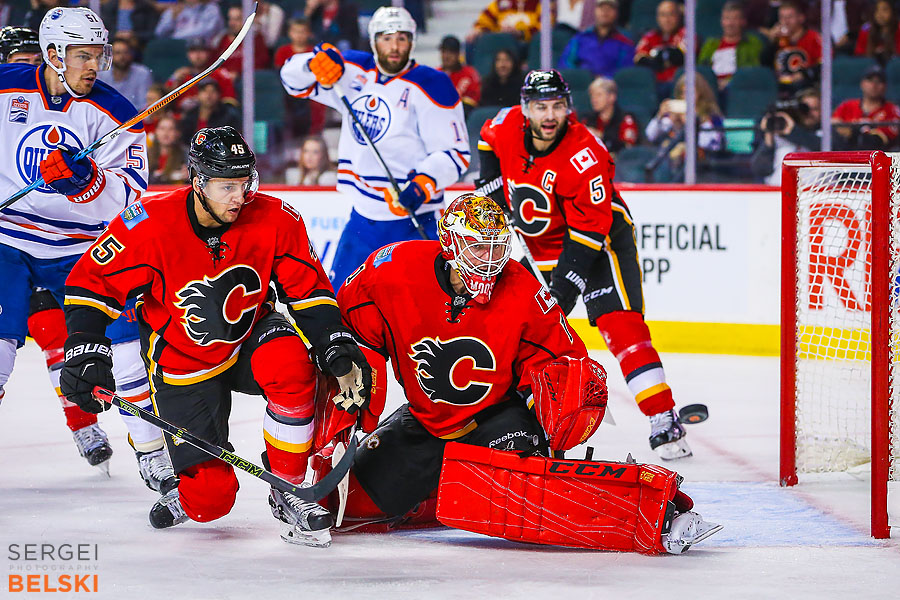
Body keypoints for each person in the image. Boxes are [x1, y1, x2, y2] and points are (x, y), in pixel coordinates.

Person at [310, 194, 720, 553]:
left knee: (524, 494)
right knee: (344, 509)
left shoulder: (523, 288)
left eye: (496, 249)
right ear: (450, 246)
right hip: (426, 424)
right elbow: (349, 338)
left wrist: (566, 398)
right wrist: (338, 428)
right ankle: (438, 493)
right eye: (477, 249)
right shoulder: (392, 270)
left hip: (499, 419)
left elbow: (566, 358)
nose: (489, 263)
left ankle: (658, 513)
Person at [60, 126, 372, 547]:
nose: (239, 197)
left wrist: (333, 340)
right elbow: (90, 285)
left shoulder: (277, 217)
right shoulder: (149, 223)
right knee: (211, 500)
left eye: (245, 183)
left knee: (291, 364)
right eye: (227, 186)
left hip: (250, 335)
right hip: (182, 359)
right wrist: (85, 350)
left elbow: (309, 290)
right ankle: (184, 486)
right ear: (197, 182)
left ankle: (288, 487)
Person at [0, 7, 175, 491]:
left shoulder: (117, 113)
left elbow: (132, 199)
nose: (93, 65)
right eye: (82, 56)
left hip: (80, 247)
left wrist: (87, 180)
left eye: (98, 55)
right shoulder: (5, 85)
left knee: (126, 350)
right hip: (7, 239)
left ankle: (151, 450)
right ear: (53, 55)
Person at [475, 70, 693, 460]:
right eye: (541, 106)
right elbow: (487, 139)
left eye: (557, 106)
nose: (549, 115)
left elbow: (588, 233)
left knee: (620, 326)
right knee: (519, 331)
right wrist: (490, 182)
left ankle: (663, 418)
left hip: (601, 242)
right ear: (526, 108)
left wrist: (563, 289)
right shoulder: (506, 124)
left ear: (568, 107)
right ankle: (523, 424)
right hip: (538, 244)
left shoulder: (585, 154)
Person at [280, 6, 469, 287]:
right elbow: (291, 81)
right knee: (338, 299)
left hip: (414, 217)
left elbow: (456, 153)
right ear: (373, 40)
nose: (394, 47)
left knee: (425, 303)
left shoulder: (433, 84)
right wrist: (312, 64)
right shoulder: (351, 69)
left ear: (412, 41)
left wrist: (422, 184)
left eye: (402, 38)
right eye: (386, 38)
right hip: (363, 219)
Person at [644, 74, 725, 177]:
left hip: (702, 167)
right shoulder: (675, 113)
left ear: (700, 93)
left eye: (690, 92)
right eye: (682, 93)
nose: (685, 97)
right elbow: (650, 134)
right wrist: (660, 115)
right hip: (669, 166)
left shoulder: (711, 114)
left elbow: (713, 145)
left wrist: (689, 123)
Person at [750, 87, 821, 185]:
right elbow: (760, 170)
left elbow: (821, 146)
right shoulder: (779, 134)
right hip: (778, 193)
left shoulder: (826, 133)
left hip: (818, 194)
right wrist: (768, 138)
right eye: (804, 109)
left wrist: (792, 131)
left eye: (815, 109)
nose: (809, 113)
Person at [557, 0, 635, 78]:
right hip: (582, 84)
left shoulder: (624, 42)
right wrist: (582, 78)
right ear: (595, 11)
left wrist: (604, 80)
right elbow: (566, 64)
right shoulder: (580, 38)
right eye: (602, 8)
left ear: (617, 13)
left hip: (611, 86)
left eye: (610, 8)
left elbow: (625, 71)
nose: (605, 12)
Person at [698, 1, 764, 91]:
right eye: (727, 18)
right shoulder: (710, 44)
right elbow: (701, 69)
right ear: (721, 21)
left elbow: (752, 71)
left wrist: (730, 81)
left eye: (735, 19)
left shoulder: (752, 43)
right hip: (711, 88)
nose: (730, 24)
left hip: (739, 88)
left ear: (743, 21)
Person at [761, 0, 822, 96]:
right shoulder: (778, 39)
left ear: (801, 18)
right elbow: (763, 63)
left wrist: (804, 74)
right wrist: (772, 43)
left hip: (806, 86)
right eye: (782, 17)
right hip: (779, 85)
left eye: (790, 17)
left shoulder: (813, 38)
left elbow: (823, 64)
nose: (785, 21)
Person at [832, 65, 900, 150]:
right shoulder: (847, 105)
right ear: (862, 84)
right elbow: (832, 125)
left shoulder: (892, 110)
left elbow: (878, 140)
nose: (874, 85)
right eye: (870, 80)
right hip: (845, 153)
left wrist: (852, 132)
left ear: (885, 86)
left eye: (879, 81)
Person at [166, 39, 237, 113]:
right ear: (187, 54)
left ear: (208, 53)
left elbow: (230, 102)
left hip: (214, 117)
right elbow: (163, 100)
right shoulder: (181, 75)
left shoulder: (219, 74)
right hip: (183, 118)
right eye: (193, 51)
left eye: (202, 50)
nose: (197, 55)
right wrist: (174, 79)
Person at [634, 0, 687, 89]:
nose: (667, 19)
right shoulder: (650, 36)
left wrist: (655, 58)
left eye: (671, 14)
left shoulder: (686, 34)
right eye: (663, 15)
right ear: (657, 18)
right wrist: (665, 58)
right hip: (653, 85)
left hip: (677, 84)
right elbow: (639, 59)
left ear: (679, 16)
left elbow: (679, 56)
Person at [581, 76, 639, 154]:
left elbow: (628, 148)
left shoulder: (625, 118)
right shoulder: (587, 119)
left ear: (612, 97)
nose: (594, 99)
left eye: (599, 95)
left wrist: (602, 137)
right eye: (592, 95)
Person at [178, 79, 241, 146]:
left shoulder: (228, 116)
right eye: (204, 91)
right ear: (198, 95)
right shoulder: (190, 115)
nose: (209, 95)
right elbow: (184, 140)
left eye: (213, 91)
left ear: (219, 95)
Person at [97, 36, 152, 110]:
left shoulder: (142, 73)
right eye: (117, 53)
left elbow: (145, 105)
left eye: (125, 52)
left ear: (132, 54)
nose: (122, 57)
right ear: (110, 56)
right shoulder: (101, 73)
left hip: (135, 116)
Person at [216, 5, 270, 78]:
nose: (232, 23)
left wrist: (239, 74)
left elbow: (261, 63)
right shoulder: (224, 39)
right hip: (224, 79)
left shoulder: (256, 39)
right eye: (230, 19)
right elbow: (215, 62)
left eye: (237, 19)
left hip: (246, 80)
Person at [439, 35, 481, 118]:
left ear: (459, 54)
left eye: (451, 52)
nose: (447, 56)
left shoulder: (469, 73)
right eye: (444, 51)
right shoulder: (434, 74)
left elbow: (472, 103)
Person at [467, 0, 542, 44]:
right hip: (501, 43)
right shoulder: (500, 3)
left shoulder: (541, 3)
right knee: (471, 41)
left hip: (528, 44)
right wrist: (478, 30)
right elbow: (485, 20)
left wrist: (521, 33)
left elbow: (545, 27)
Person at [154, 0, 225, 42]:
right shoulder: (174, 9)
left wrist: (176, 36)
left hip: (202, 48)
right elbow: (159, 33)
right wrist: (172, 19)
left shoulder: (211, 8)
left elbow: (207, 31)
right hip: (176, 48)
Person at [148, 115, 189, 184]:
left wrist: (189, 176)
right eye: (162, 128)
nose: (166, 133)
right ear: (156, 131)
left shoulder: (185, 153)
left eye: (171, 129)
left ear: (177, 133)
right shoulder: (146, 153)